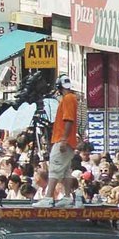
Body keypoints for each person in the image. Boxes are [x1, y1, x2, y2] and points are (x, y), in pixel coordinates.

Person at [38, 75, 79, 206]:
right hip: (69, 141)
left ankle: (49, 197)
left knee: (54, 168)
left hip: (64, 140)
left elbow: (68, 120)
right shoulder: (72, 98)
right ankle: (67, 197)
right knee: (66, 170)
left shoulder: (67, 99)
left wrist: (63, 139)